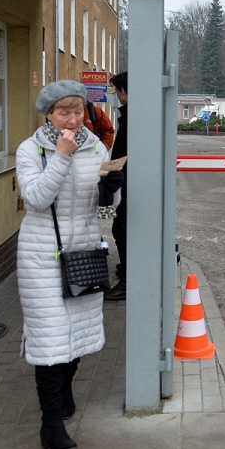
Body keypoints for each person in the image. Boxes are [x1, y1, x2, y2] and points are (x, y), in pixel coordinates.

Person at [15, 79, 109, 449]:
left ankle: (67, 385)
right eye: (63, 111)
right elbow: (36, 198)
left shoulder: (96, 146)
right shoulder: (32, 149)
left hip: (83, 253)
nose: (73, 119)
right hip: (41, 256)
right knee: (49, 338)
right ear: (49, 114)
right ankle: (50, 425)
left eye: (78, 110)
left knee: (80, 337)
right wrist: (62, 155)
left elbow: (102, 199)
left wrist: (112, 184)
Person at [103, 71, 129, 301]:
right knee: (121, 227)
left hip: (127, 182)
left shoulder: (131, 117)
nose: (116, 96)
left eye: (116, 91)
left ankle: (127, 281)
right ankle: (126, 268)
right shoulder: (130, 115)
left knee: (121, 228)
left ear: (124, 91)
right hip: (125, 179)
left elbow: (125, 154)